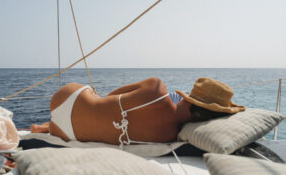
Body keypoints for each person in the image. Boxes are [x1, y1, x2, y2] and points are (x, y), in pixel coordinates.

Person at [31, 77, 245, 148]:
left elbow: (109, 97)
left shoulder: (157, 88)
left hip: (65, 99)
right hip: (67, 133)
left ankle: (45, 125)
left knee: (96, 99)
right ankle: (47, 127)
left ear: (190, 98)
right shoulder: (168, 136)